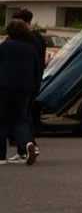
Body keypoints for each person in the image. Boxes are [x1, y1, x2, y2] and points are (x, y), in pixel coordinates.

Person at [0, 17, 41, 165]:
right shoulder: (31, 49)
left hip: (4, 88)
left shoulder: (4, 47)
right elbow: (37, 71)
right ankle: (26, 146)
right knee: (20, 119)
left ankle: (1, 156)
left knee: (2, 120)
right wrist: (35, 88)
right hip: (25, 89)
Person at [11, 9, 48, 159]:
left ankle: (26, 145)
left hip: (18, 83)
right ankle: (28, 144)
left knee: (20, 115)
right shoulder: (39, 37)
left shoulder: (23, 39)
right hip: (34, 81)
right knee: (25, 113)